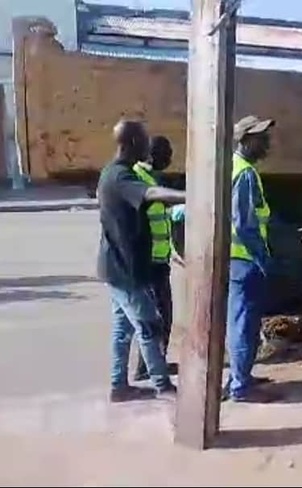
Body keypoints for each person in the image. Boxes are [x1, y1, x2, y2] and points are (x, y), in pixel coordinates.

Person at [97, 120, 185, 403]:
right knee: (148, 325)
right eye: (145, 140)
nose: (148, 146)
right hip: (126, 269)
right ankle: (162, 386)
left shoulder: (111, 173)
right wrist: (193, 196)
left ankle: (118, 386)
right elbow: (152, 194)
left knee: (123, 329)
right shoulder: (121, 177)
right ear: (133, 142)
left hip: (116, 266)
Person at [223, 115, 277, 402]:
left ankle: (238, 377)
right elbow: (244, 223)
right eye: (261, 137)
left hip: (233, 260)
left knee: (236, 321)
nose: (267, 142)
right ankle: (240, 387)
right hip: (244, 261)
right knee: (244, 324)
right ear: (245, 140)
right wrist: (262, 258)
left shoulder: (233, 167)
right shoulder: (244, 173)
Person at [132, 135, 175, 382]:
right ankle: (147, 367)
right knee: (157, 316)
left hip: (159, 259)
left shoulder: (149, 177)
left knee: (157, 316)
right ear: (152, 155)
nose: (169, 159)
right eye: (166, 153)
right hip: (150, 263)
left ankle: (154, 363)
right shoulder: (141, 178)